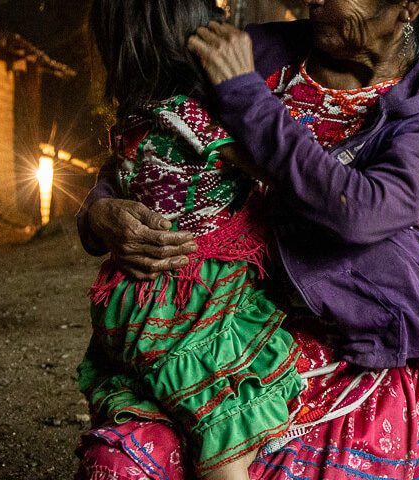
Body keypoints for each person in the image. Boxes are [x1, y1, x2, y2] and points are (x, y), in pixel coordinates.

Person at [76, 0, 419, 478]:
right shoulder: (255, 49)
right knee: (124, 461)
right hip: (217, 328)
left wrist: (244, 94)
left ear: (408, 5)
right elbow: (159, 132)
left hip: (354, 341)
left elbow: (359, 211)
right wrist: (99, 212)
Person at [75, 1, 303, 479]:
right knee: (224, 422)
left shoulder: (133, 122)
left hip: (136, 298)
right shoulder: (196, 119)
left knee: (170, 401)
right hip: (196, 298)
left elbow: (121, 178)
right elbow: (280, 169)